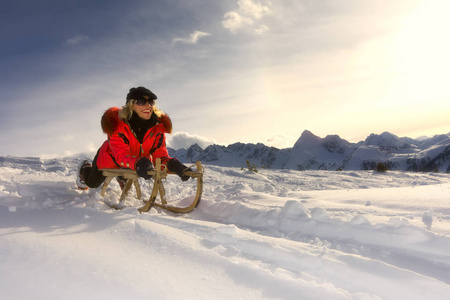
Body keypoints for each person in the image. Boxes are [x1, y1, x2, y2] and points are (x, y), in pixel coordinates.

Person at [77, 86, 191, 190]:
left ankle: (122, 177)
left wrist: (173, 165)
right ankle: (84, 168)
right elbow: (121, 156)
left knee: (130, 169)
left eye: (151, 102)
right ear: (130, 105)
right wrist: (139, 162)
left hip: (133, 162)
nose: (148, 105)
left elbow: (159, 155)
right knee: (92, 183)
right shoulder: (117, 125)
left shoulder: (157, 128)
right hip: (110, 159)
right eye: (141, 102)